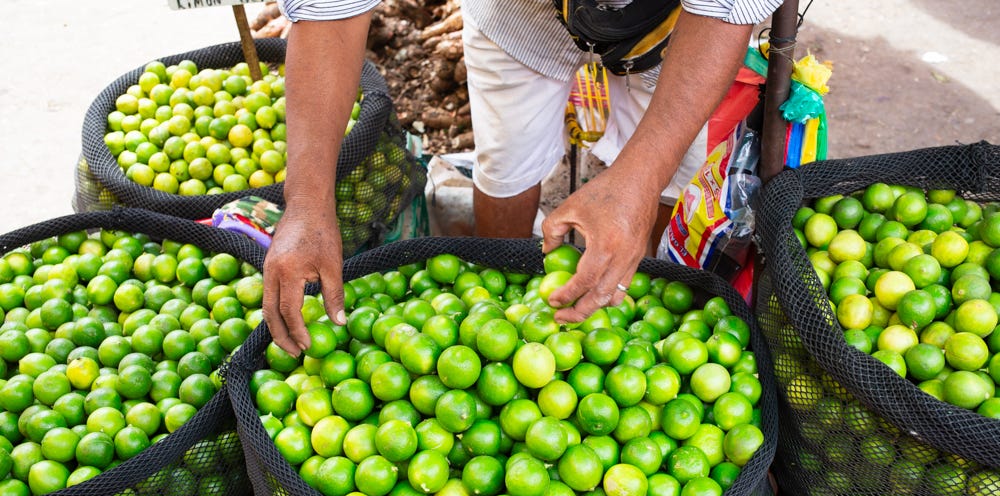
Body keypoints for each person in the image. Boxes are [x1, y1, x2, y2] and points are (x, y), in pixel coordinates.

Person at [263, 0, 783, 355]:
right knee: (508, 165)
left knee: (659, 185)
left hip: (672, 30)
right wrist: (307, 201)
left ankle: (633, 308)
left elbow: (724, 10)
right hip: (518, 17)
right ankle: (502, 293)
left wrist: (638, 182)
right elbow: (331, 11)